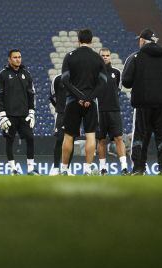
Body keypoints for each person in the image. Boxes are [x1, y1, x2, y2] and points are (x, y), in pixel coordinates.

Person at [122, 28, 162, 176]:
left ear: (142, 40)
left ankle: (138, 168)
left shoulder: (135, 57)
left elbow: (126, 81)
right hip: (161, 104)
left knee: (140, 135)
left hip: (142, 103)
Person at [58, 28, 108, 176]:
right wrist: (89, 97)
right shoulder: (97, 58)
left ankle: (64, 170)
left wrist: (79, 96)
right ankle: (87, 170)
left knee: (68, 136)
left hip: (73, 101)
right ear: (91, 41)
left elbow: (65, 80)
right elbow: (103, 82)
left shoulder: (70, 56)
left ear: (78, 40)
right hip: (91, 102)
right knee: (90, 135)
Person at [0, 49, 37, 175]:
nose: (18, 59)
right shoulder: (2, 75)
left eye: (19, 57)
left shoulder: (27, 74)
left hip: (24, 115)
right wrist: (2, 115)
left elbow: (32, 95)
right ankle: (13, 169)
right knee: (10, 141)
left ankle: (30, 169)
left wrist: (32, 112)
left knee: (30, 138)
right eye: (15, 57)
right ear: (9, 59)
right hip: (9, 116)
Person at [96, 47, 129, 175]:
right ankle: (103, 168)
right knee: (102, 140)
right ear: (99, 57)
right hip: (99, 111)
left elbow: (118, 90)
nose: (105, 57)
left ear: (110, 56)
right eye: (103, 55)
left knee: (119, 138)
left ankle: (124, 167)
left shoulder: (117, 72)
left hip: (114, 110)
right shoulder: (94, 73)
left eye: (107, 55)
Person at [48, 73, 72, 175]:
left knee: (71, 140)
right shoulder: (57, 79)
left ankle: (66, 168)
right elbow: (52, 96)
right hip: (61, 114)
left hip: (74, 114)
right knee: (59, 139)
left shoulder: (78, 78)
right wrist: (60, 107)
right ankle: (56, 168)